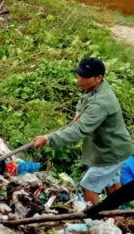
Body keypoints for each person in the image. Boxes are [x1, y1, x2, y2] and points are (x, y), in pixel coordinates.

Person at [32, 58, 134, 206]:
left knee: (89, 186)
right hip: (114, 147)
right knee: (113, 184)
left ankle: (91, 222)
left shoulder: (101, 102)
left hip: (111, 152)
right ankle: (118, 218)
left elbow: (79, 130)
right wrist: (79, 112)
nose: (80, 80)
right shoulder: (95, 88)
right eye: (79, 75)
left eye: (85, 77)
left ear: (99, 78)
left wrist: (48, 139)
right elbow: (84, 100)